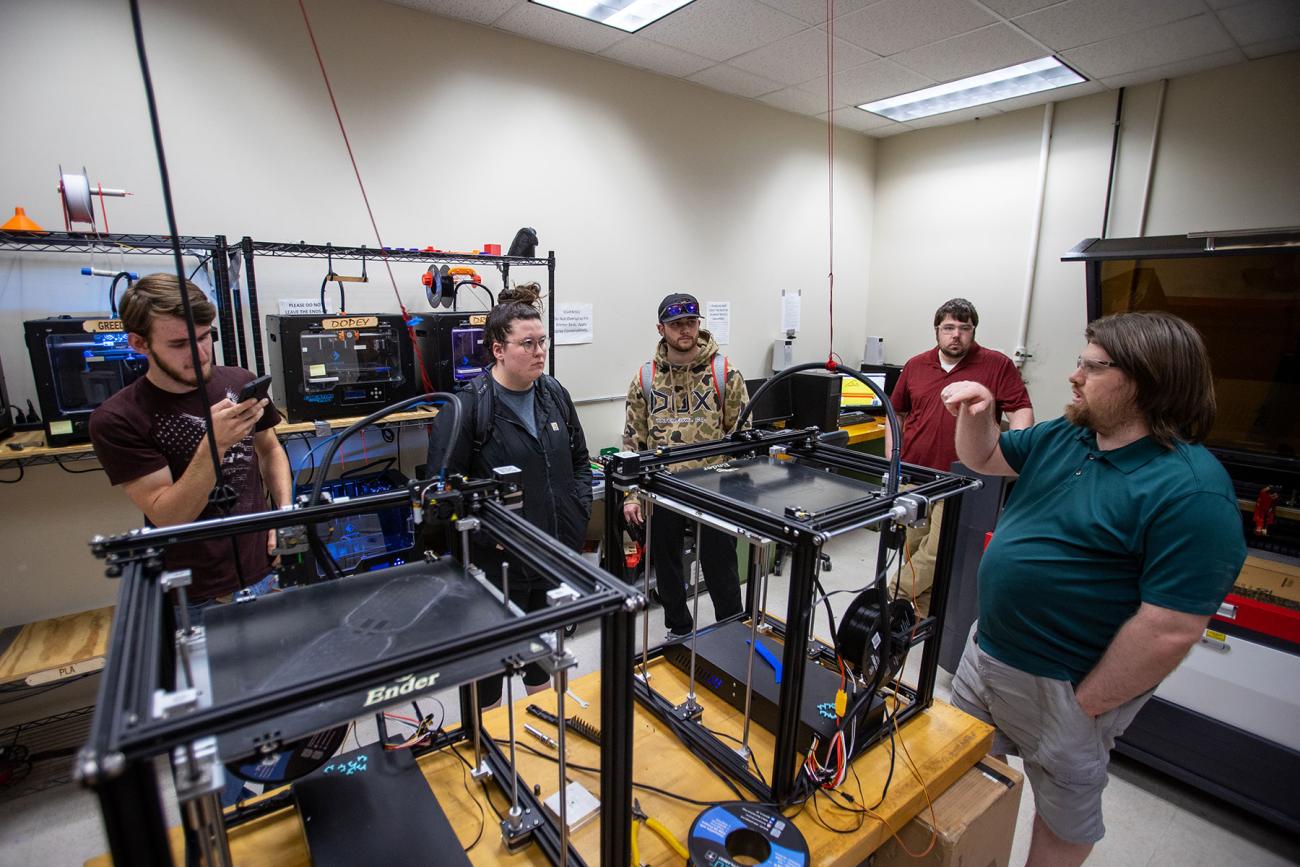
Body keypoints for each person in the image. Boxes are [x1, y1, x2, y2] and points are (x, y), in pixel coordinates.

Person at [942, 311, 1246, 867]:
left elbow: (1170, 628)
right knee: (963, 776)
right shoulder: (1068, 436)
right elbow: (982, 457)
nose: (1074, 376)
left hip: (1065, 684)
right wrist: (978, 413)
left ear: (1146, 381)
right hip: (985, 657)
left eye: (1092, 366)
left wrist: (1086, 707)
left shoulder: (1193, 492)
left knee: (1063, 813)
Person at [425, 284, 591, 707]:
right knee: (490, 675)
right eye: (528, 344)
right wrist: (487, 537)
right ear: (498, 349)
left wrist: (577, 510)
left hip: (551, 556)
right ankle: (491, 751)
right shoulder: (466, 411)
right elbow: (440, 497)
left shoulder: (554, 394)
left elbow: (580, 461)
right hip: (495, 570)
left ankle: (541, 732)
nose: (540, 352)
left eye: (542, 342)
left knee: (541, 660)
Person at [89, 273, 291, 615]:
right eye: (180, 344)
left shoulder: (239, 381)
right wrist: (213, 443)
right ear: (139, 344)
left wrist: (285, 515)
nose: (199, 354)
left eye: (204, 337)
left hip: (264, 569)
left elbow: (270, 450)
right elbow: (170, 516)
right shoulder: (118, 419)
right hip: (192, 592)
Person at [886, 298, 1033, 615]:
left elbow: (1020, 408)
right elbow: (895, 413)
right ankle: (914, 614)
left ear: (973, 331)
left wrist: (1017, 450)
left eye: (964, 328)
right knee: (912, 547)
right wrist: (892, 460)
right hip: (915, 474)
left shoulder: (996, 365)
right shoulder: (916, 365)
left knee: (939, 551)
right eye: (949, 328)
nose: (956, 335)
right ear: (937, 330)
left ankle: (891, 594)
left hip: (964, 478)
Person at [623, 293, 749, 639]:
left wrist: (741, 492)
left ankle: (730, 631)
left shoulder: (724, 372)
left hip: (715, 487)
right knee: (667, 564)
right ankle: (678, 627)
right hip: (663, 488)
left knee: (720, 564)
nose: (685, 330)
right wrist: (631, 495)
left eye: (691, 323)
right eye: (676, 324)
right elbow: (634, 441)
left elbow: (743, 438)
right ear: (661, 328)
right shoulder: (646, 378)